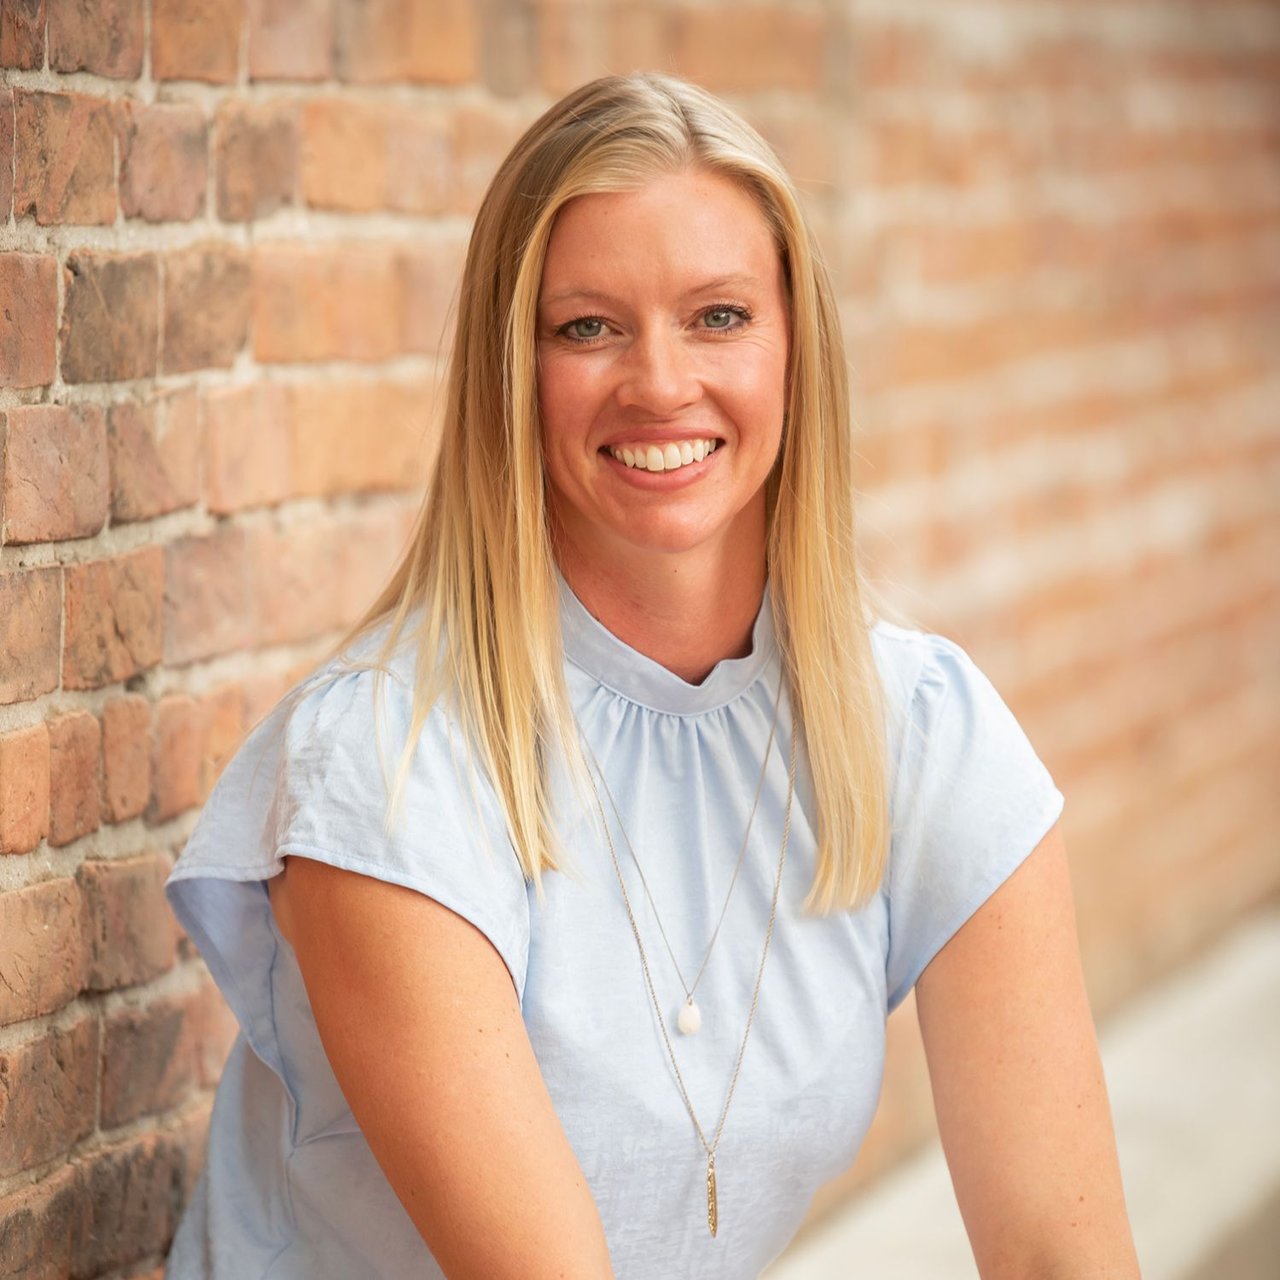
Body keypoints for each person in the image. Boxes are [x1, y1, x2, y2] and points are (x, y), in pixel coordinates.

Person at [164, 73, 1140, 1280]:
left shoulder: (921, 730)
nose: (661, 382)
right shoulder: (389, 759)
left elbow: (1060, 1252)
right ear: (510, 371)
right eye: (587, 326)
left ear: (795, 344)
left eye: (718, 315)